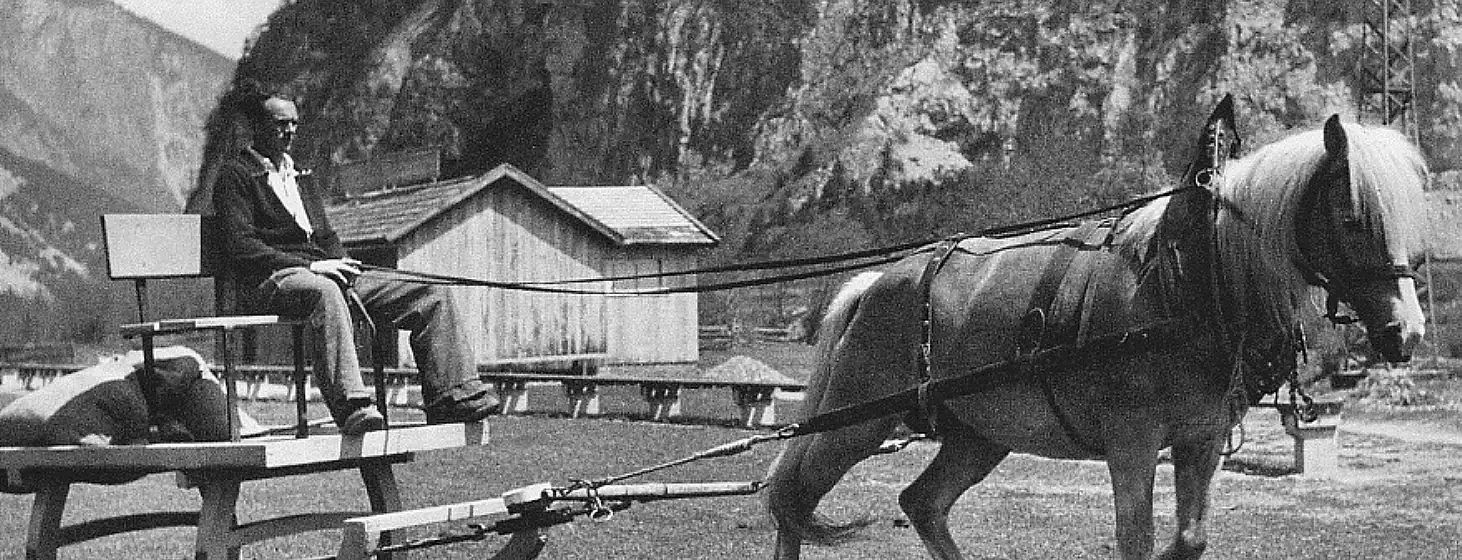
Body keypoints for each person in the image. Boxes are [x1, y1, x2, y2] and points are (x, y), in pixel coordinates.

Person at [211, 88, 499, 435]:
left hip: (322, 274)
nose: (289, 132)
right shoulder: (235, 175)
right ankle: (353, 406)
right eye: (279, 124)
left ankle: (454, 398)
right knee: (324, 293)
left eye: (294, 124)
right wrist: (313, 268)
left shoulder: (300, 176)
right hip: (272, 279)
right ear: (257, 126)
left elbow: (326, 237)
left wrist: (344, 264)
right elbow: (239, 246)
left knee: (430, 292)